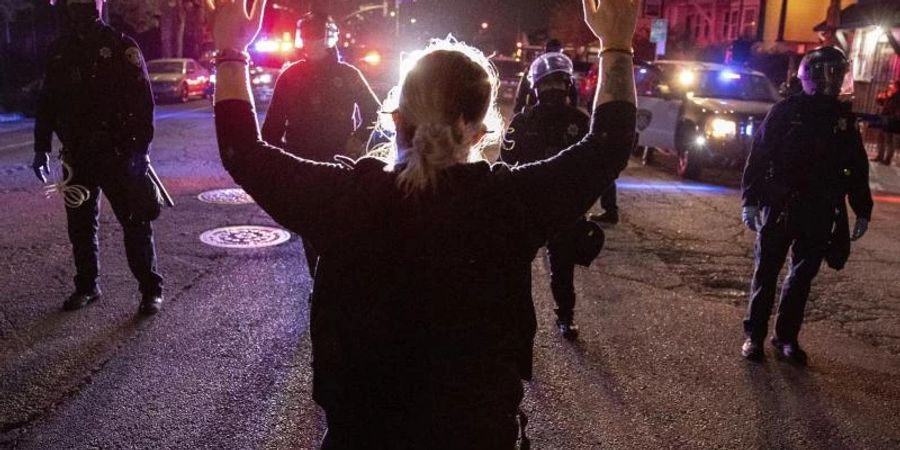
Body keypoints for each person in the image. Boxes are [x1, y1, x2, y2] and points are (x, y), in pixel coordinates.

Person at [212, 0, 637, 446]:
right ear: (478, 132)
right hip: (478, 434)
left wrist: (231, 50)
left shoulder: (347, 199)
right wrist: (616, 45)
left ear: (395, 119)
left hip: (364, 435)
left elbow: (241, 149)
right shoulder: (506, 204)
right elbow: (607, 146)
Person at [740, 46, 873, 365]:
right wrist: (751, 200)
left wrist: (862, 207)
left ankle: (785, 337)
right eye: (831, 73)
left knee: (801, 277)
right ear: (812, 76)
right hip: (781, 202)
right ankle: (754, 337)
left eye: (840, 73)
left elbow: (855, 165)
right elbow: (759, 155)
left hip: (820, 207)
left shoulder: (841, 118)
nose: (836, 79)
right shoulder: (787, 111)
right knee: (767, 272)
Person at [32, 0, 164, 315]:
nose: (80, 8)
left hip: (118, 156)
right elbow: (48, 101)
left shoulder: (121, 46)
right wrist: (41, 148)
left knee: (135, 223)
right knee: (80, 226)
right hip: (77, 158)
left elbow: (144, 101)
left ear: (99, 5)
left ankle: (150, 290)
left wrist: (141, 150)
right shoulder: (60, 51)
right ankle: (87, 286)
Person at [261, 10, 381, 276]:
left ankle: (333, 283)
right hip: (302, 165)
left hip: (340, 164)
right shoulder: (290, 76)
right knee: (312, 229)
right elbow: (271, 129)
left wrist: (357, 138)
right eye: (306, 37)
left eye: (315, 36)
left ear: (328, 39)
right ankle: (321, 283)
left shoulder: (348, 74)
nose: (310, 42)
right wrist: (277, 166)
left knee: (339, 227)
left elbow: (375, 113)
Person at [501, 52, 590, 340]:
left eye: (557, 84)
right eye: (549, 85)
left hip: (547, 206)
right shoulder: (527, 121)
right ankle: (558, 318)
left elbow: (506, 159)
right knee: (541, 267)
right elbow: (507, 160)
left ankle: (559, 317)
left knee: (550, 267)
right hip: (543, 206)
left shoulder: (573, 121)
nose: (553, 91)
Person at [513, 38, 580, 114]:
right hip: (536, 114)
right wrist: (520, 114)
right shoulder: (536, 69)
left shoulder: (564, 72)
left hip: (559, 114)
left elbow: (573, 95)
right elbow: (522, 92)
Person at [872, 80, 900, 165]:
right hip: (885, 117)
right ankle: (880, 156)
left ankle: (888, 159)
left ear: (897, 87)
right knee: (880, 137)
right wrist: (880, 97)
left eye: (892, 84)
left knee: (889, 139)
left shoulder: (898, 96)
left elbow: (895, 107)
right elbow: (882, 103)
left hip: (892, 119)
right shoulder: (890, 93)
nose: (890, 86)